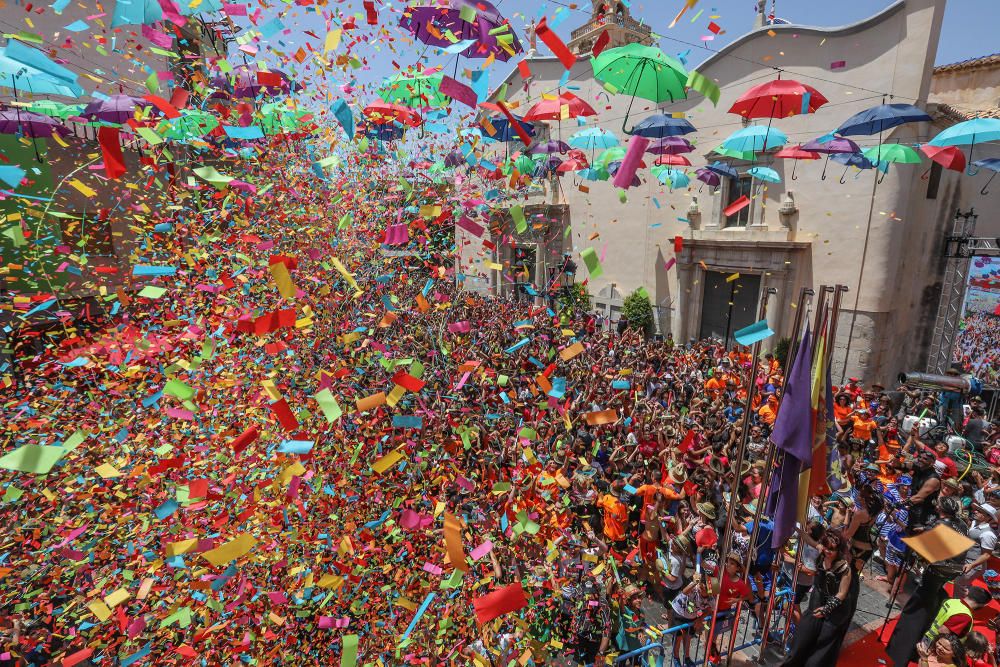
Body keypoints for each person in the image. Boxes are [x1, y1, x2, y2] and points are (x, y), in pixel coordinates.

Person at [888, 497, 974, 667]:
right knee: (926, 612)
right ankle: (914, 651)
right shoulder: (962, 525)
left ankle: (900, 656)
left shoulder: (940, 524)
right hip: (945, 576)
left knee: (913, 615)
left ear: (941, 508)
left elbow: (926, 550)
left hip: (933, 575)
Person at [780, 529, 859, 667]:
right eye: (826, 547)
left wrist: (826, 609)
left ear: (838, 550)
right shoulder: (822, 550)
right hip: (819, 599)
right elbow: (808, 539)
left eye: (832, 549)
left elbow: (842, 594)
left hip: (837, 609)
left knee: (820, 652)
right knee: (802, 639)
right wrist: (796, 527)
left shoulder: (845, 567)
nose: (828, 551)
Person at [954, 504, 999, 598]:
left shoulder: (988, 534)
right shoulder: (975, 523)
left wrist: (971, 565)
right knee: (963, 584)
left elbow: (986, 555)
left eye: (979, 511)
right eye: (976, 510)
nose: (975, 511)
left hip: (974, 566)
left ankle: (958, 606)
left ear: (987, 517)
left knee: (959, 585)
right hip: (968, 562)